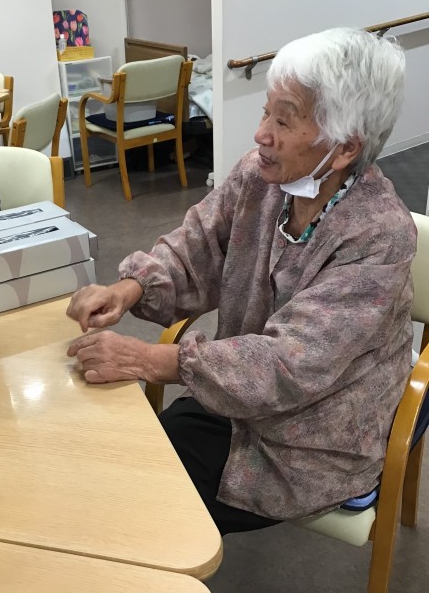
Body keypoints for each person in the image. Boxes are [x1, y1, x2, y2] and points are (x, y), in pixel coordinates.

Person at [66, 27, 416, 534]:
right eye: (265, 112)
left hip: (314, 433)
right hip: (235, 394)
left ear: (344, 148)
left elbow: (290, 364)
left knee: (146, 504)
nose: (261, 135)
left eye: (283, 120)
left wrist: (145, 359)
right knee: (130, 468)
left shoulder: (378, 235)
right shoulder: (261, 178)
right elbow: (199, 244)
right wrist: (130, 287)